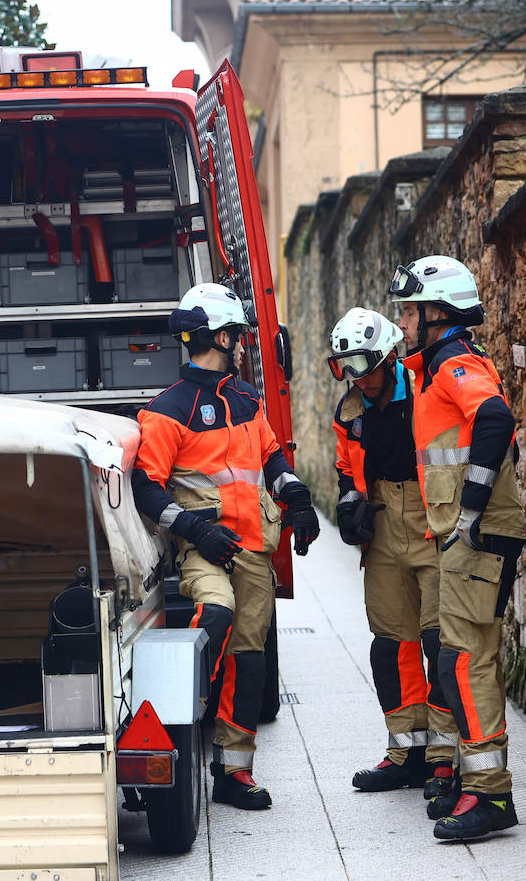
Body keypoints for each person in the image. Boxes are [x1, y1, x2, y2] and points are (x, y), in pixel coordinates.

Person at [133, 282, 321, 811]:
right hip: (204, 551)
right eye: (236, 335)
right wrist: (195, 531)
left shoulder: (246, 400)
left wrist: (299, 501)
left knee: (251, 659)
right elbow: (147, 487)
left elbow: (272, 462)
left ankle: (234, 772)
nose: (241, 344)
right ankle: (174, 722)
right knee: (216, 614)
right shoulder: (166, 410)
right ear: (219, 336)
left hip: (254, 549)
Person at [388, 255, 526, 840]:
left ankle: (491, 798)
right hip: (467, 532)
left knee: (466, 659)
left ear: (437, 313)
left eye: (410, 312)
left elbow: (495, 418)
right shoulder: (435, 365)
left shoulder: (456, 361)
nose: (403, 324)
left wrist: (469, 509)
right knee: (460, 656)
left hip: (478, 531)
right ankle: (473, 785)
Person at [327, 307, 458, 798]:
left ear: (388, 357)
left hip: (432, 521)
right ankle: (407, 752)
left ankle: (445, 758)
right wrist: (349, 506)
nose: (358, 380)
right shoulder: (351, 411)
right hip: (383, 526)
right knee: (391, 643)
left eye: (364, 368)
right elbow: (346, 468)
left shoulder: (426, 390)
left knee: (440, 642)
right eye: (348, 370)